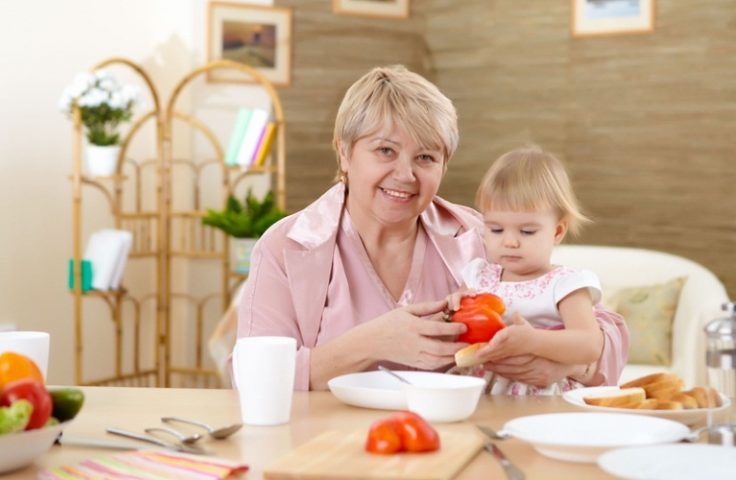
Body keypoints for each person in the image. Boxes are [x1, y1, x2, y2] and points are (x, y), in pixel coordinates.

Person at [234, 65, 629, 391]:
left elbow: (607, 332)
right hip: (329, 448)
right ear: (344, 150)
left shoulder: (480, 236)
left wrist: (563, 366)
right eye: (385, 150)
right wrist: (369, 343)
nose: (404, 175)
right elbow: (251, 377)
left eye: (425, 157)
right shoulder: (287, 247)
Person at [449, 146, 605, 395]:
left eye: (527, 231)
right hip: (483, 394)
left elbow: (589, 345)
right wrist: (455, 305)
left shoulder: (565, 284)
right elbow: (457, 325)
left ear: (557, 231)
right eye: (496, 230)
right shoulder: (478, 276)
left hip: (540, 398)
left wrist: (533, 341)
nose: (510, 242)